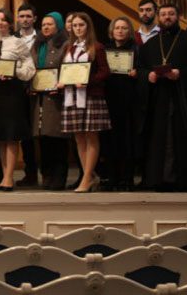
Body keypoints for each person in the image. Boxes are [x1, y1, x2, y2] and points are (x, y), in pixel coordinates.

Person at [137, 3, 187, 191]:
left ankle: (185, 180)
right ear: (158, 18)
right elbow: (140, 69)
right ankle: (160, 179)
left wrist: (180, 73)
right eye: (163, 14)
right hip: (159, 99)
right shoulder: (150, 44)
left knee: (182, 138)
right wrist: (148, 76)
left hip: (184, 100)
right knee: (160, 138)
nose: (167, 17)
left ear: (178, 17)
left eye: (171, 14)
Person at [0, 9, 36, 191]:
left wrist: (14, 72)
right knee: (0, 136)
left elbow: (29, 69)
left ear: (10, 23)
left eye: (3, 20)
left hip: (12, 91)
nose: (0, 23)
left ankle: (9, 177)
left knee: (11, 135)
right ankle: (4, 175)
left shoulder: (18, 43)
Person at [58, 12, 111, 193]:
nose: (78, 28)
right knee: (79, 138)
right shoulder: (69, 47)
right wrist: (61, 81)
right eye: (75, 25)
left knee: (91, 137)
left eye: (81, 25)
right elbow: (65, 70)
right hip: (71, 97)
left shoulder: (97, 47)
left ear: (88, 26)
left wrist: (89, 81)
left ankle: (87, 178)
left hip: (90, 96)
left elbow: (105, 71)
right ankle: (90, 175)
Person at [30, 12, 70, 191]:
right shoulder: (37, 45)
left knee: (57, 139)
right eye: (43, 24)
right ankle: (46, 175)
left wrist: (61, 84)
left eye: (50, 24)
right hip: (38, 99)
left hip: (56, 99)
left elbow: (69, 69)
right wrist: (29, 85)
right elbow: (30, 68)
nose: (45, 27)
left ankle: (59, 177)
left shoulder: (66, 44)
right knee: (43, 138)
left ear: (58, 26)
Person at [103, 16, 139, 191]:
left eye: (124, 28)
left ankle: (127, 178)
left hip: (129, 100)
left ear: (129, 31)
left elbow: (144, 71)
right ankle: (112, 177)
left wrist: (137, 73)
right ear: (112, 30)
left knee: (127, 139)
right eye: (117, 28)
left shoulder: (136, 50)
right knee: (110, 140)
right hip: (109, 99)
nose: (120, 31)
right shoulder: (105, 49)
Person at [14, 3, 39, 188]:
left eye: (28, 16)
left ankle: (48, 173)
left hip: (40, 88)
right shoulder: (12, 39)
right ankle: (30, 174)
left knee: (41, 134)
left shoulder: (42, 37)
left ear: (34, 19)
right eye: (22, 16)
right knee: (25, 135)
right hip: (18, 91)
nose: (25, 19)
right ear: (17, 18)